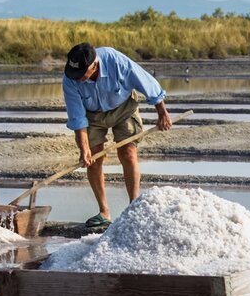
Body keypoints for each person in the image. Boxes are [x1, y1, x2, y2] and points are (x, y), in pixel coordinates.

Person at [63, 43, 173, 227]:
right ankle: (104, 212)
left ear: (94, 66)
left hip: (123, 107)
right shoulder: (70, 79)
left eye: (82, 75)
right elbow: (77, 118)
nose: (78, 79)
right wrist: (84, 149)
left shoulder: (115, 61)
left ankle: (133, 207)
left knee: (128, 152)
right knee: (94, 158)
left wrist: (162, 112)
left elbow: (145, 81)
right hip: (93, 115)